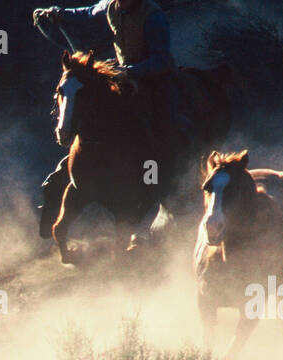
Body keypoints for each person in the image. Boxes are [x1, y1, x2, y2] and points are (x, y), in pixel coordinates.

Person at [33, 0, 187, 240]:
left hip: (155, 81)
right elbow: (87, 12)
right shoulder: (112, 5)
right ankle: (70, 171)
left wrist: (131, 71)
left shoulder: (154, 17)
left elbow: (162, 60)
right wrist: (59, 14)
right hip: (125, 77)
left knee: (160, 127)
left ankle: (161, 183)